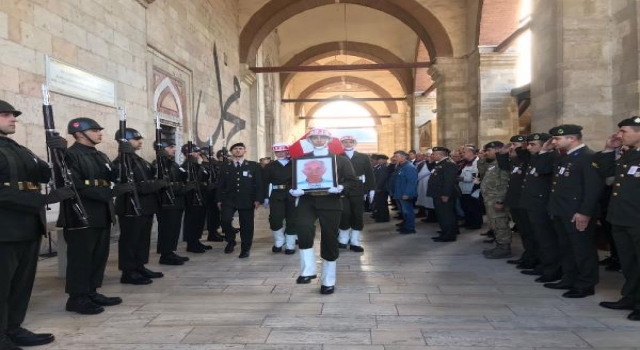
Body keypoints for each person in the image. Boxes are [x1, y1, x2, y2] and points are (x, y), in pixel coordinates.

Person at [0, 100, 73, 349]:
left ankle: (13, 328)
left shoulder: (19, 149)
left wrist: (60, 152)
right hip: (4, 230)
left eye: (13, 115)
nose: (13, 119)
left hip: (28, 227)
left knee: (21, 284)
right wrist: (44, 199)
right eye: (6, 115)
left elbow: (46, 174)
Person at [62, 118, 124, 315]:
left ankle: (91, 291)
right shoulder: (70, 155)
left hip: (102, 213)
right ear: (80, 133)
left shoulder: (100, 155)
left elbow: (113, 175)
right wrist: (109, 193)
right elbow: (76, 185)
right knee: (81, 258)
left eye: (99, 129)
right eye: (95, 130)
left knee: (98, 256)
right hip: (81, 214)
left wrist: (124, 158)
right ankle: (77, 297)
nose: (100, 133)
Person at [289, 128, 357, 294]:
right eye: (315, 138)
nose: (319, 140)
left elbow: (351, 181)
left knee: (329, 237)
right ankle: (308, 270)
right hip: (307, 200)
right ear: (310, 140)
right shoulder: (301, 160)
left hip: (330, 201)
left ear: (328, 139)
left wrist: (341, 187)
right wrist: (294, 190)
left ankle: (328, 280)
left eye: (322, 137)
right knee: (303, 228)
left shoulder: (340, 160)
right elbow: (295, 180)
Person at [539, 124, 603, 298]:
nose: (554, 141)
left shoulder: (587, 157)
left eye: (558, 138)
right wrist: (545, 151)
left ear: (572, 139)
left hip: (576, 212)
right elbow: (542, 170)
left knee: (582, 249)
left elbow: (593, 188)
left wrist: (585, 212)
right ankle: (569, 278)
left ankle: (585, 284)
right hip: (561, 210)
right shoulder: (564, 158)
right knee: (567, 248)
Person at [596, 116, 640, 320]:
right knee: (628, 261)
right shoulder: (628, 154)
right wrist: (607, 150)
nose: (619, 135)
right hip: (621, 217)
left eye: (624, 132)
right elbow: (606, 175)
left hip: (637, 218)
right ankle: (630, 297)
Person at [114, 127, 167, 285]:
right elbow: (129, 185)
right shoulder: (120, 162)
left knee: (142, 239)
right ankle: (128, 272)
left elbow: (152, 176)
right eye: (136, 139)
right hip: (130, 206)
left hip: (146, 206)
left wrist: (162, 160)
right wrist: (152, 185)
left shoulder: (140, 160)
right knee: (130, 240)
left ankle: (139, 266)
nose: (140, 142)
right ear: (125, 141)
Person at [520, 133, 563, 283]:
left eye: (533, 144)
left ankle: (553, 269)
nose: (529, 147)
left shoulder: (550, 157)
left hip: (542, 204)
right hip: (533, 204)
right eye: (528, 144)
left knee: (547, 240)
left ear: (545, 144)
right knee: (538, 237)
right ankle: (543, 264)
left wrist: (544, 151)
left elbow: (543, 170)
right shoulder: (536, 157)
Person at [497, 135, 538, 269]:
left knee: (530, 232)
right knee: (524, 232)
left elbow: (526, 159)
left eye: (515, 145)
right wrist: (502, 152)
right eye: (512, 145)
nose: (512, 148)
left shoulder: (528, 159)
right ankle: (527, 255)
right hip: (515, 201)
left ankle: (533, 258)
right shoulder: (516, 161)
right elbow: (504, 167)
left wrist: (521, 149)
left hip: (524, 201)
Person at [217, 142, 264, 258]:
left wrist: (258, 199)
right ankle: (230, 239)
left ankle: (245, 248)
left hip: (247, 199)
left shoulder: (253, 166)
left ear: (245, 151)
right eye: (235, 149)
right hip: (229, 199)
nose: (238, 150)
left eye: (240, 148)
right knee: (225, 220)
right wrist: (218, 199)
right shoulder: (225, 166)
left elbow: (259, 184)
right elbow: (220, 184)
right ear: (231, 152)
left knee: (247, 225)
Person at [153, 139, 191, 265]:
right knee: (167, 229)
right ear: (162, 149)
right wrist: (182, 189)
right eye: (171, 147)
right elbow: (163, 184)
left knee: (174, 229)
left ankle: (170, 252)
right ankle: (165, 255)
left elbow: (182, 176)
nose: (174, 149)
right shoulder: (158, 164)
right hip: (167, 202)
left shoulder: (172, 163)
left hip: (177, 200)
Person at [338, 136, 375, 252]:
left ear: (354, 143)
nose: (348, 144)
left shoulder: (363, 157)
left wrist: (371, 188)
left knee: (357, 214)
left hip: (358, 188)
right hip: (342, 188)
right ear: (341, 143)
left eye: (350, 142)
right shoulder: (337, 156)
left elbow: (369, 173)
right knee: (344, 213)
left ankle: (354, 240)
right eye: (345, 142)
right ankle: (343, 238)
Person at [263, 142, 297, 254]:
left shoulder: (294, 164)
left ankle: (290, 243)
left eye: (283, 151)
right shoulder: (270, 166)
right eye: (277, 152)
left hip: (292, 194)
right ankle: (279, 239)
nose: (280, 153)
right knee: (275, 218)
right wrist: (266, 197)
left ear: (287, 151)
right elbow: (265, 182)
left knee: (292, 219)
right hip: (276, 194)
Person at [479, 141, 511, 258]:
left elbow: (504, 182)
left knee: (500, 223)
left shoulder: (503, 163)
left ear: (497, 150)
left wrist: (500, 200)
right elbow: (482, 174)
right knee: (494, 224)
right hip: (489, 199)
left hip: (496, 198)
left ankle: (504, 248)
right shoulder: (493, 163)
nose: (486, 153)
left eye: (488, 150)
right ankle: (499, 245)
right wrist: (482, 159)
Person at [181, 144, 212, 253]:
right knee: (192, 221)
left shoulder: (198, 165)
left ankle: (196, 240)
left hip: (202, 196)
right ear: (188, 153)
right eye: (196, 152)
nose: (199, 153)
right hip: (192, 198)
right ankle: (191, 243)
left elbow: (206, 176)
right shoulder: (185, 166)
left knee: (200, 220)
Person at [427, 147, 460, 242]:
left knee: (446, 215)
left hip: (443, 194)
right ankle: (447, 231)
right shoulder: (441, 163)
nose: (432, 156)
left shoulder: (448, 164)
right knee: (443, 214)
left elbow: (449, 181)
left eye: (434, 154)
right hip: (438, 193)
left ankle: (448, 235)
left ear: (440, 154)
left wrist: (446, 194)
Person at [391, 150, 418, 234]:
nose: (395, 158)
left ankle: (410, 228)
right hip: (399, 192)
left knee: (408, 211)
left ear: (404, 157)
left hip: (405, 193)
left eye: (397, 156)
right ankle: (406, 225)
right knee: (403, 211)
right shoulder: (400, 166)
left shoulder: (409, 167)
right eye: (394, 156)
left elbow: (412, 182)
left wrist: (407, 193)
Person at [458, 146, 482, 229]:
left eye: (464, 152)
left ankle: (476, 224)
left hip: (472, 189)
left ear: (471, 153)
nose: (462, 154)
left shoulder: (477, 162)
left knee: (473, 207)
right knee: (466, 207)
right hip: (463, 189)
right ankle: (468, 222)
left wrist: (462, 178)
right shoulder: (465, 162)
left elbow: (476, 177)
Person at [371, 155, 390, 222]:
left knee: (382, 204)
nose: (379, 161)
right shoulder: (379, 167)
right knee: (379, 204)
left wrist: (378, 187)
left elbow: (381, 179)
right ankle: (380, 216)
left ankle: (383, 218)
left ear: (385, 160)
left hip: (382, 189)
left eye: (381, 159)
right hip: (379, 188)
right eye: (378, 159)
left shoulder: (383, 168)